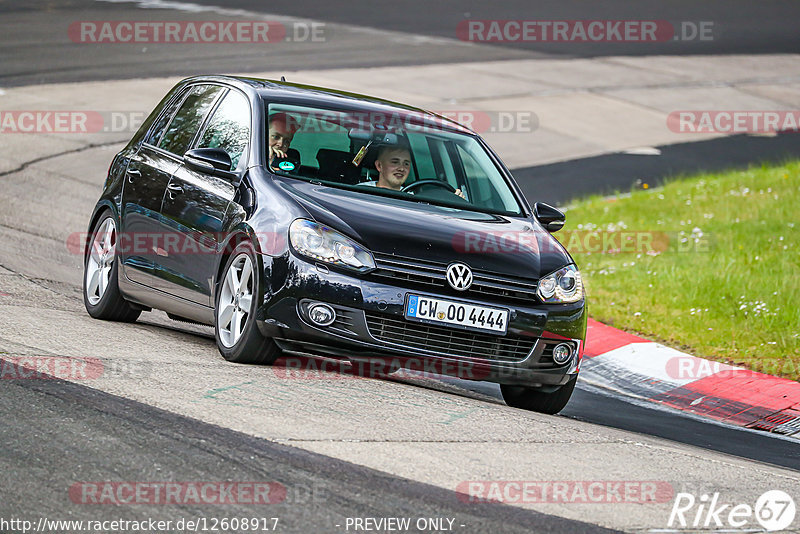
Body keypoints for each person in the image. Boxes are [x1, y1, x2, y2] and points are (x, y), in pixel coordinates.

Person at [361, 144, 466, 199]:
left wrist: (454, 202)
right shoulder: (361, 192)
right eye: (395, 162)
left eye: (406, 163)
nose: (401, 168)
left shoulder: (415, 199)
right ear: (379, 166)